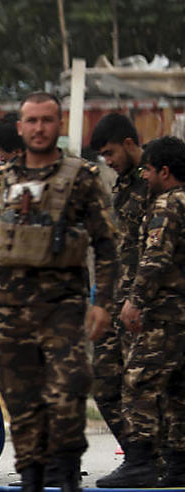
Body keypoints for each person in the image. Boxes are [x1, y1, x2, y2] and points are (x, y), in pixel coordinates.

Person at [0, 92, 117, 492]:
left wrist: (102, 303)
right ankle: (31, 479)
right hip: (10, 310)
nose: (39, 128)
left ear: (58, 125)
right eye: (32, 121)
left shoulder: (83, 178)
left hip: (62, 306)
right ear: (21, 127)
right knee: (23, 402)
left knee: (67, 393)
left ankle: (66, 477)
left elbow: (108, 245)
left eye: (47, 120)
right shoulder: (0, 181)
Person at [96, 136, 185, 488]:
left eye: (147, 170)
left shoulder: (166, 205)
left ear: (164, 171)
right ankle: (178, 465)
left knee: (137, 383)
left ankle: (141, 462)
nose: (143, 177)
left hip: (163, 316)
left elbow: (155, 257)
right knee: (178, 391)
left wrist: (135, 301)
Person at [86, 113, 148, 458]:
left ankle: (155, 458)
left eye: (110, 154)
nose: (108, 162)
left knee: (146, 386)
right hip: (117, 299)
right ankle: (138, 456)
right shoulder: (122, 183)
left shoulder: (158, 179)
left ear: (128, 143)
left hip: (149, 301)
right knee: (105, 381)